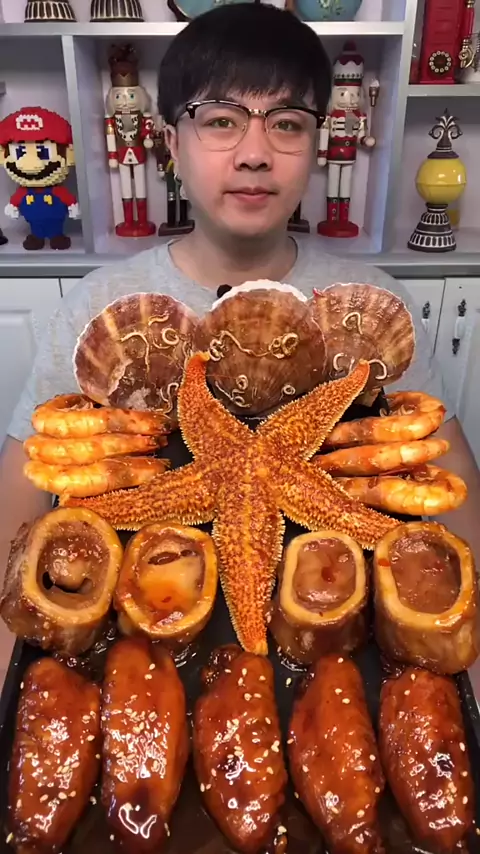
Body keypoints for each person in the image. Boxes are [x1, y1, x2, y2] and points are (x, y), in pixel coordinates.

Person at [0, 3, 479, 661]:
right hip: (133, 628)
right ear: (171, 143)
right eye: (220, 120)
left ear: (317, 144)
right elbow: (23, 481)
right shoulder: (102, 305)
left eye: (286, 123)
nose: (255, 154)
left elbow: (449, 472)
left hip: (346, 625)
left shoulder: (371, 306)